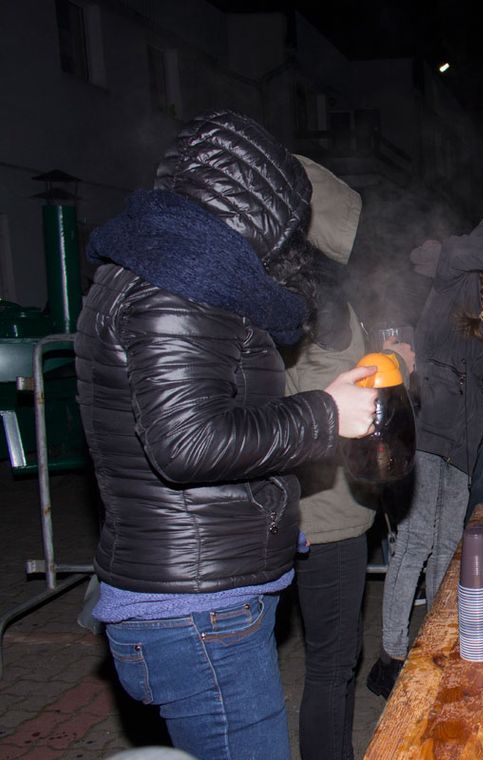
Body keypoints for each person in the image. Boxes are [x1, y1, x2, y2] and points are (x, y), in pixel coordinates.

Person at [74, 110, 377, 760]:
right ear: (258, 208)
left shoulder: (171, 271)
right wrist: (328, 413)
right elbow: (186, 443)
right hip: (198, 610)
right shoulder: (177, 285)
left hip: (198, 593)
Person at [368, 210, 483, 698]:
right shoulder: (454, 273)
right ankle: (391, 656)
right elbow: (469, 249)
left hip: (464, 442)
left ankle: (432, 642)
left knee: (448, 548)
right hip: (425, 432)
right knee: (414, 543)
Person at [284, 156, 406, 760]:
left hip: (292, 505)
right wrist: (396, 365)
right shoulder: (317, 300)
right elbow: (344, 394)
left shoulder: (270, 291)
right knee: (333, 663)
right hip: (327, 512)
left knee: (319, 656)